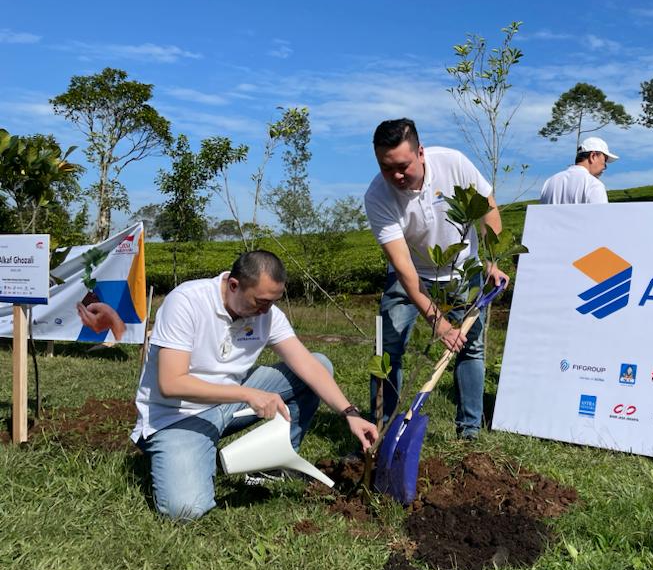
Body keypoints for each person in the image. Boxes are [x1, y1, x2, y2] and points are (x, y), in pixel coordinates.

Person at [131, 250, 377, 521]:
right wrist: (247, 393)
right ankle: (187, 452)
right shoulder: (187, 301)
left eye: (273, 302)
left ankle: (272, 464)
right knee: (185, 510)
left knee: (319, 364)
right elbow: (171, 383)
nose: (266, 310)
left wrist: (350, 413)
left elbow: (307, 366)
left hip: (230, 402)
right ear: (234, 285)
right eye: (260, 301)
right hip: (178, 417)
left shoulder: (267, 314)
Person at [364, 118, 509, 440]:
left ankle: (469, 431)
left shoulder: (453, 164)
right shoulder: (377, 196)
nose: (396, 176)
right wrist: (439, 323)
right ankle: (384, 429)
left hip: (461, 271)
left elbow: (487, 208)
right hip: (413, 275)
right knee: (387, 351)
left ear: (421, 153)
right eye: (386, 168)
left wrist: (492, 259)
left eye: (403, 166)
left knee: (470, 348)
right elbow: (404, 272)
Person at [539, 136, 619, 204]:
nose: (604, 167)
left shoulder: (549, 182)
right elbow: (601, 219)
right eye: (604, 161)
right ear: (593, 156)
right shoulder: (593, 185)